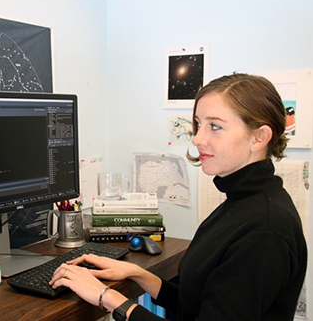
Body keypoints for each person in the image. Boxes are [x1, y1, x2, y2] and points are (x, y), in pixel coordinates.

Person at [49, 73, 307, 321]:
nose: (197, 139)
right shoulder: (242, 202)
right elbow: (196, 303)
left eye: (215, 126)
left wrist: (107, 297)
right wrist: (138, 274)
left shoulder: (264, 230)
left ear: (259, 137)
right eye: (198, 124)